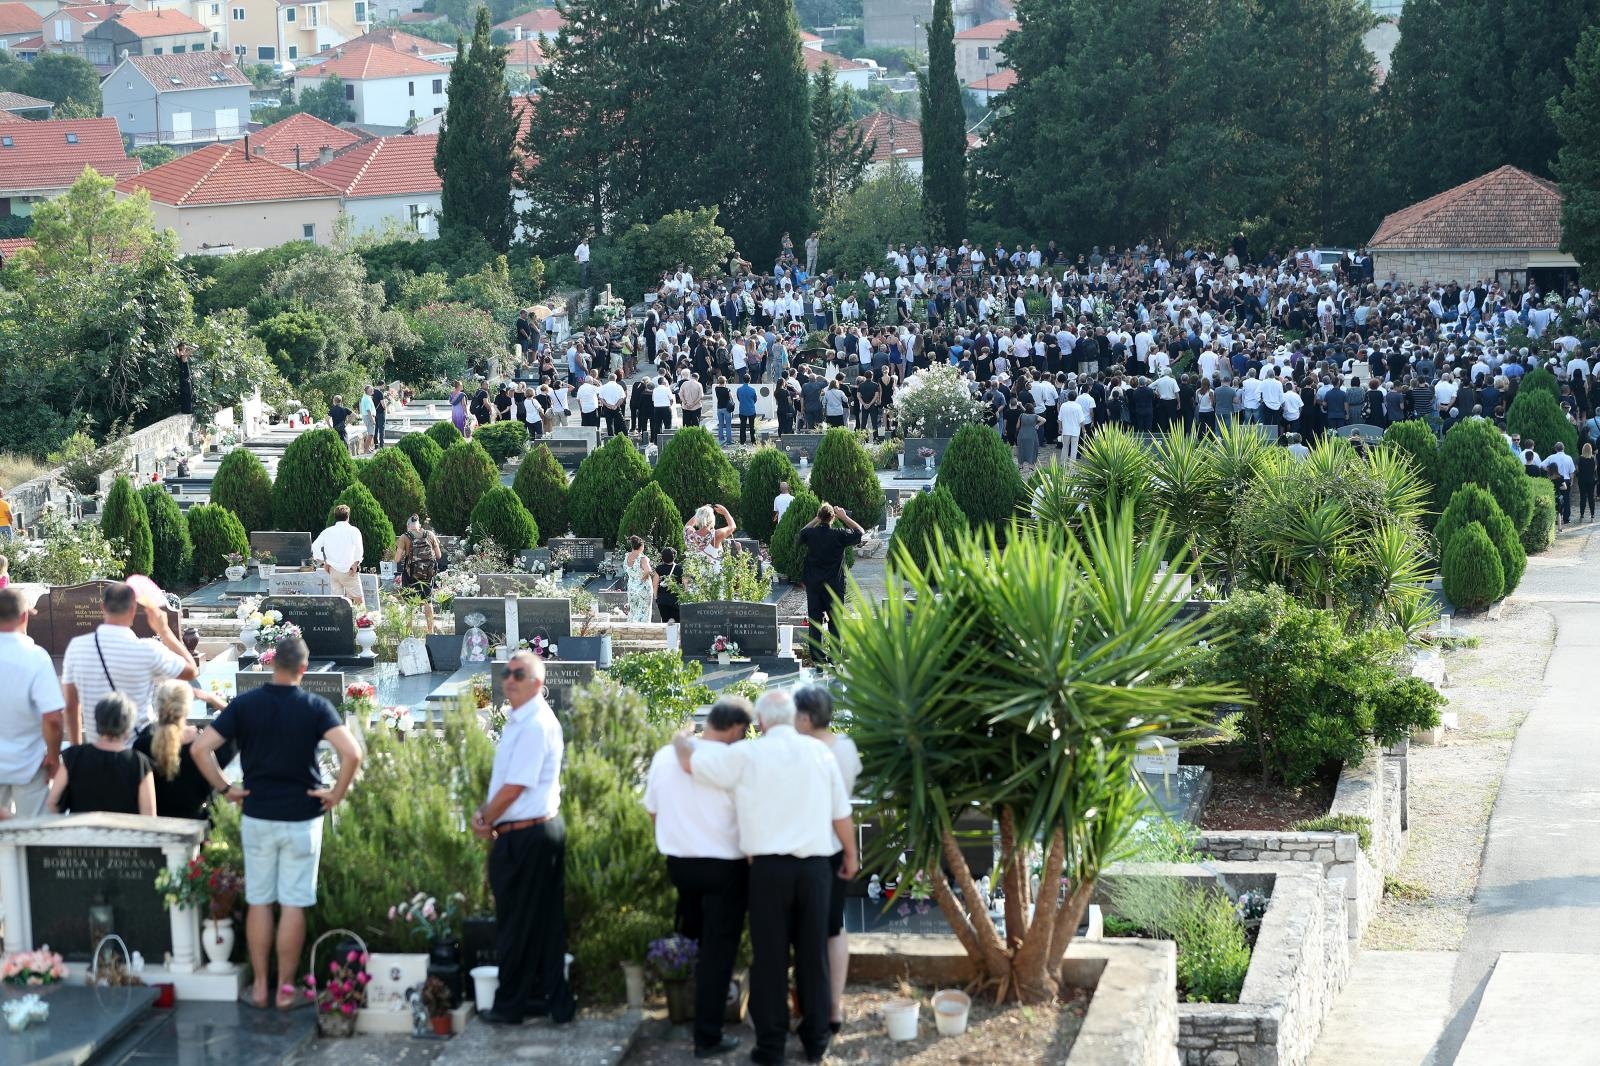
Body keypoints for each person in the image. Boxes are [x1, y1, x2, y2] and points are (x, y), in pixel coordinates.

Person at [673, 690, 857, 1066]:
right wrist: (851, 855)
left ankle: (771, 1047)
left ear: (760, 722)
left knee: (770, 959)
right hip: (815, 869)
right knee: (812, 957)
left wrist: (679, 737)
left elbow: (692, 764)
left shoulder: (748, 754)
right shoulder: (820, 754)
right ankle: (816, 1041)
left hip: (769, 872)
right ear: (794, 718)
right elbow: (841, 814)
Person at [192, 635, 363, 1012]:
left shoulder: (246, 705)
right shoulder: (315, 706)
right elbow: (352, 752)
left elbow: (199, 749)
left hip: (257, 814)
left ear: (272, 664)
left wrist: (225, 789)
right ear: (304, 668)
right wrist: (336, 793)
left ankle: (259, 987)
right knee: (292, 904)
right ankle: (286, 990)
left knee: (259, 901)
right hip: (302, 817)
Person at [642, 696, 753, 1059]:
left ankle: (680, 1014)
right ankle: (707, 1036)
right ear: (736, 728)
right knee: (717, 954)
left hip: (680, 864)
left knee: (690, 941)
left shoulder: (663, 757)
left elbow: (653, 812)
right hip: (724, 867)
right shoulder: (733, 760)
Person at [471, 652, 577, 1025]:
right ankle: (557, 1004)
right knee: (541, 923)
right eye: (507, 673)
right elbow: (507, 781)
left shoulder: (535, 724)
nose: (509, 679)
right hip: (526, 831)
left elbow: (517, 786)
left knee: (517, 923)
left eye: (519, 673)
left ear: (536, 682)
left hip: (529, 833)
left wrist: (486, 816)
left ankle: (510, 1005)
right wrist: (487, 813)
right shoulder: (522, 720)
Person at [792, 685, 861, 1035]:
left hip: (804, 849)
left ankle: (807, 1006)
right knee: (835, 928)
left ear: (804, 718)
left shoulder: (802, 752)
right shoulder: (846, 747)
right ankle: (833, 1008)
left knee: (803, 931)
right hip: (837, 847)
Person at [61, 581, 198, 745]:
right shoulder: (148, 649)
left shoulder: (76, 647)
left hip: (97, 750)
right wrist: (165, 632)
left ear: (102, 607)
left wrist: (79, 751)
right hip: (139, 751)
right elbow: (191, 671)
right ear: (133, 609)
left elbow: (71, 707)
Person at [0, 588, 63, 819]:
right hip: (29, 763)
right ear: (24, 616)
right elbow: (53, 718)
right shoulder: (35, 656)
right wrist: (54, 756)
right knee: (33, 835)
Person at [134, 679, 236, 821]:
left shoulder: (141, 745)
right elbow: (241, 723)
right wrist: (213, 700)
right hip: (200, 827)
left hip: (160, 827)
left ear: (157, 704)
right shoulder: (204, 744)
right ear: (187, 707)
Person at [47, 693, 155, 816]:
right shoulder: (139, 763)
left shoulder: (73, 756)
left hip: (81, 832)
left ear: (98, 721)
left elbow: (52, 802)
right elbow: (148, 813)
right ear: (128, 725)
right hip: (123, 833)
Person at [797, 503, 866, 662]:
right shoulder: (839, 534)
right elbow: (860, 532)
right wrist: (844, 517)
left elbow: (802, 532)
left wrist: (816, 518)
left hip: (814, 586)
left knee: (815, 623)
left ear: (820, 517)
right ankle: (835, 658)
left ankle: (818, 661)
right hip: (835, 585)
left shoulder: (811, 534)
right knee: (835, 622)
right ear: (833, 518)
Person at [394, 514, 442, 633]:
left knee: (409, 603)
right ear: (419, 525)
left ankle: (408, 632)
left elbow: (397, 559)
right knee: (427, 602)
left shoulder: (404, 537)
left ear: (408, 526)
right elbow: (439, 555)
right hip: (427, 574)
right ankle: (430, 631)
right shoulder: (430, 534)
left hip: (411, 576)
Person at [313, 504, 365, 604]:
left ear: (335, 516)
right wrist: (356, 563)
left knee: (337, 602)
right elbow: (359, 549)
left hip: (333, 570)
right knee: (359, 601)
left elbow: (314, 546)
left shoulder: (327, 531)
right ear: (348, 516)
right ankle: (362, 620)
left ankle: (338, 620)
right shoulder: (354, 531)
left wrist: (324, 562)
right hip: (349, 569)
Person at [685, 504, 737, 571]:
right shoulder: (715, 535)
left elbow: (688, 525)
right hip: (714, 577)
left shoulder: (689, 535)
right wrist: (725, 512)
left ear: (697, 518)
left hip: (695, 577)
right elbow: (732, 526)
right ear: (712, 518)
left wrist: (701, 512)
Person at [622, 536, 655, 623]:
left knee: (633, 611)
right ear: (641, 547)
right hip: (643, 588)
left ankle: (632, 630)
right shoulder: (642, 558)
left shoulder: (627, 556)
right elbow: (648, 570)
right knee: (644, 611)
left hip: (632, 588)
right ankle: (642, 632)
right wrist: (643, 577)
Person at [656, 546, 682, 624]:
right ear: (674, 557)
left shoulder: (659, 568)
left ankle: (666, 636)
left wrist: (655, 597)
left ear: (663, 557)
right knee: (677, 623)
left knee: (665, 622)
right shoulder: (679, 568)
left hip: (662, 599)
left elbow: (655, 584)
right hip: (676, 599)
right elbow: (685, 583)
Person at [1579, 443, 1597, 523]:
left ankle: (1582, 515)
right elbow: (1595, 469)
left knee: (1582, 497)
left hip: (1582, 480)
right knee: (1591, 497)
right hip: (1591, 480)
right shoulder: (1593, 459)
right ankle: (1592, 515)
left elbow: (1578, 469)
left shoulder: (1580, 458)